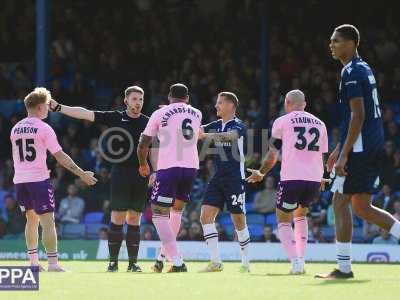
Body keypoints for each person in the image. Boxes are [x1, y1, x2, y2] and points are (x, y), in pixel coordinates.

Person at [317, 24, 400, 279]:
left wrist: (344, 154)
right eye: (331, 41)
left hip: (361, 149)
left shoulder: (351, 71)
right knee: (362, 207)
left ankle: (343, 268)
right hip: (369, 144)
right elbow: (354, 117)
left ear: (352, 43)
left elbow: (358, 115)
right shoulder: (362, 68)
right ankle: (344, 267)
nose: (331, 45)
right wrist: (340, 147)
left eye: (336, 41)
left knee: (339, 201)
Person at [50, 85, 151, 272]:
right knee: (118, 217)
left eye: (141, 99)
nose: (138, 103)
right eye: (135, 99)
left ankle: (133, 264)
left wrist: (155, 172)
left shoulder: (149, 122)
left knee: (135, 218)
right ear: (126, 101)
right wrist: (59, 108)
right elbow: (86, 114)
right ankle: (113, 263)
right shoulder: (116, 117)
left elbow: (155, 148)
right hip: (120, 173)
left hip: (140, 174)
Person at [10, 87, 97, 272]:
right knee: (48, 222)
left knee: (31, 221)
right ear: (41, 107)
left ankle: (33, 263)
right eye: (47, 106)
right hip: (38, 179)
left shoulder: (16, 128)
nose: (48, 110)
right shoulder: (44, 128)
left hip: (20, 180)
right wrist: (82, 174)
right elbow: (60, 156)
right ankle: (53, 264)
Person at [247, 89, 328, 274]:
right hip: (314, 179)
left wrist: (261, 172)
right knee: (301, 216)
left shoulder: (283, 121)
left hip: (292, 177)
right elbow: (322, 155)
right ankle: (301, 259)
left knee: (283, 219)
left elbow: (272, 156)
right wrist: (322, 175)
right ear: (305, 104)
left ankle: (296, 262)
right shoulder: (320, 124)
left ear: (287, 103)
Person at [137, 83, 202, 273]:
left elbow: (144, 143)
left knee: (158, 213)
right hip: (191, 167)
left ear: (169, 96)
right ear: (188, 98)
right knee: (176, 212)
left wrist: (143, 164)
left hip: (169, 167)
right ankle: (161, 258)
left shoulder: (159, 114)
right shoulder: (197, 113)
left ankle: (178, 261)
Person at [198, 92, 250, 273]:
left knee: (238, 221)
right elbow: (197, 127)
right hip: (218, 177)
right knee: (205, 216)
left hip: (235, 178)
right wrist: (176, 114)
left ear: (231, 106)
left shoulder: (239, 125)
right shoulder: (216, 125)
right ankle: (215, 262)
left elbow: (231, 137)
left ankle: (246, 263)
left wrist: (205, 136)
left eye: (220, 103)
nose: (216, 106)